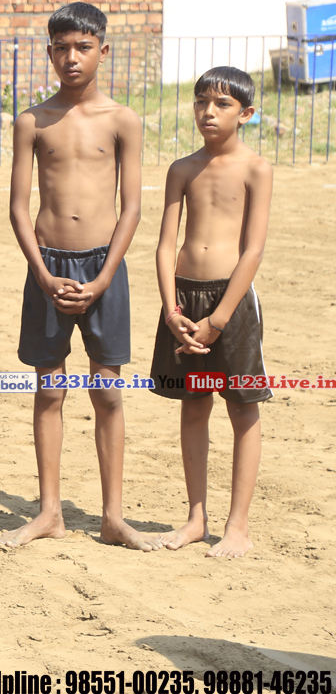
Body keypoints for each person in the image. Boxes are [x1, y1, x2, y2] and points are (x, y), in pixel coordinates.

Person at [2, 2, 154, 551]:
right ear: (49, 52)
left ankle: (113, 517)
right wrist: (42, 274)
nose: (72, 58)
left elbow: (131, 207)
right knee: (49, 390)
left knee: (108, 392)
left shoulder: (122, 120)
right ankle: (49, 512)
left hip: (103, 268)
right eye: (62, 48)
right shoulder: (32, 121)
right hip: (48, 267)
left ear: (102, 51)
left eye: (83, 47)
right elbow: (18, 208)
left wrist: (104, 277)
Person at [150, 66, 272, 559]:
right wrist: (170, 311)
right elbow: (165, 246)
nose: (208, 112)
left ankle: (237, 525)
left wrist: (218, 319)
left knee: (242, 407)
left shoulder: (256, 169)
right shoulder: (182, 169)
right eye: (201, 101)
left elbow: (253, 250)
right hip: (184, 301)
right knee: (194, 405)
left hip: (232, 304)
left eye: (222, 104)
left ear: (246, 113)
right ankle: (196, 519)